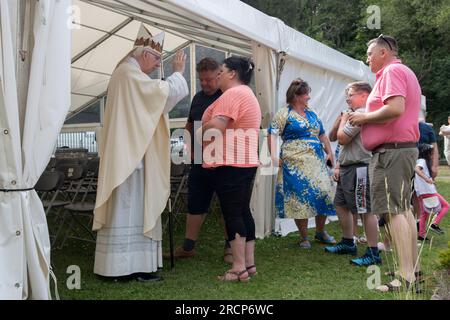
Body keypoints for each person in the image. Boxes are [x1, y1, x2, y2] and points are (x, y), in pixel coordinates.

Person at [92, 25, 188, 282]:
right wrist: (178, 74)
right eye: (157, 58)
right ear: (145, 54)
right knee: (131, 207)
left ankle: (122, 267)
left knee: (129, 208)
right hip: (131, 158)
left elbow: (152, 102)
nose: (159, 65)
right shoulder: (128, 73)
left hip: (131, 152)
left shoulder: (127, 73)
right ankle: (128, 267)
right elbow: (161, 96)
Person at [348, 34, 422, 292]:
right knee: (404, 211)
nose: (367, 58)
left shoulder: (391, 71)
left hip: (391, 151)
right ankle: (411, 269)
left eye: (369, 54)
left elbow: (395, 108)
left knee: (394, 212)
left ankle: (405, 277)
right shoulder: (403, 72)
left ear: (383, 52)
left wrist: (363, 118)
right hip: (400, 149)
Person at [200, 56, 261, 281]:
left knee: (233, 213)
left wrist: (199, 132)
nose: (218, 75)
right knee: (243, 211)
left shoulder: (233, 94)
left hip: (231, 162)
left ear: (233, 73)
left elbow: (217, 125)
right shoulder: (247, 93)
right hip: (245, 161)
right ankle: (249, 264)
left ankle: (238, 268)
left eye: (222, 71)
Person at [172, 58, 232, 263]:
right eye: (201, 80)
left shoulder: (227, 96)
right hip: (199, 161)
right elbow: (189, 124)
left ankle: (230, 248)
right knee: (195, 203)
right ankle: (188, 247)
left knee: (227, 206)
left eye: (208, 80)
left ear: (218, 75)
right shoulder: (197, 98)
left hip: (224, 162)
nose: (205, 84)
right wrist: (188, 146)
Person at [268, 78, 336, 250]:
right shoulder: (284, 114)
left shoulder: (312, 113)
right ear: (297, 96)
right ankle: (304, 237)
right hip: (294, 163)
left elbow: (322, 135)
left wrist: (329, 153)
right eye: (306, 94)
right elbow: (272, 134)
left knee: (323, 194)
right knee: (300, 198)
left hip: (316, 162)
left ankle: (320, 232)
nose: (309, 97)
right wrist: (274, 156)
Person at [325, 81, 381, 266]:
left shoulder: (362, 114)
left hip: (360, 167)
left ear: (364, 95)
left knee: (366, 210)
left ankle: (373, 252)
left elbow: (342, 137)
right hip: (349, 166)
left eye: (351, 94)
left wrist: (343, 121)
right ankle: (349, 242)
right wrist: (339, 121)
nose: (347, 98)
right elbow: (333, 136)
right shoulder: (351, 114)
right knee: (340, 204)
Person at [415, 144, 449, 239]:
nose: (432, 154)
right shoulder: (422, 161)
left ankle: (421, 235)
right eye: (431, 152)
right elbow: (417, 169)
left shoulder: (421, 161)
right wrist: (427, 179)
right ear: (425, 153)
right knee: (446, 206)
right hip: (427, 191)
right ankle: (434, 224)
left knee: (424, 213)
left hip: (422, 192)